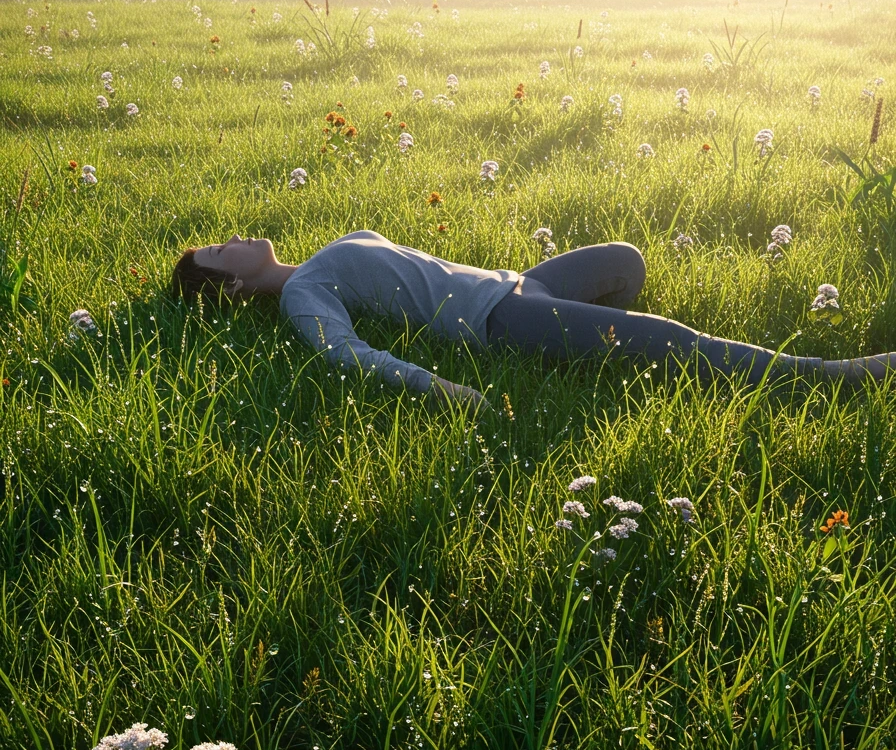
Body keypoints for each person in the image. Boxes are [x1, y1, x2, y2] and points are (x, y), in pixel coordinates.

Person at [171, 230, 896, 408]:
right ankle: (828, 377)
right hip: (499, 320)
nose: (235, 237)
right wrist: (441, 388)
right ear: (231, 286)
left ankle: (594, 349)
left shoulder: (314, 263)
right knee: (674, 339)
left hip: (520, 284)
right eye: (220, 251)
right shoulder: (303, 297)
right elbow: (347, 354)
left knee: (626, 260)